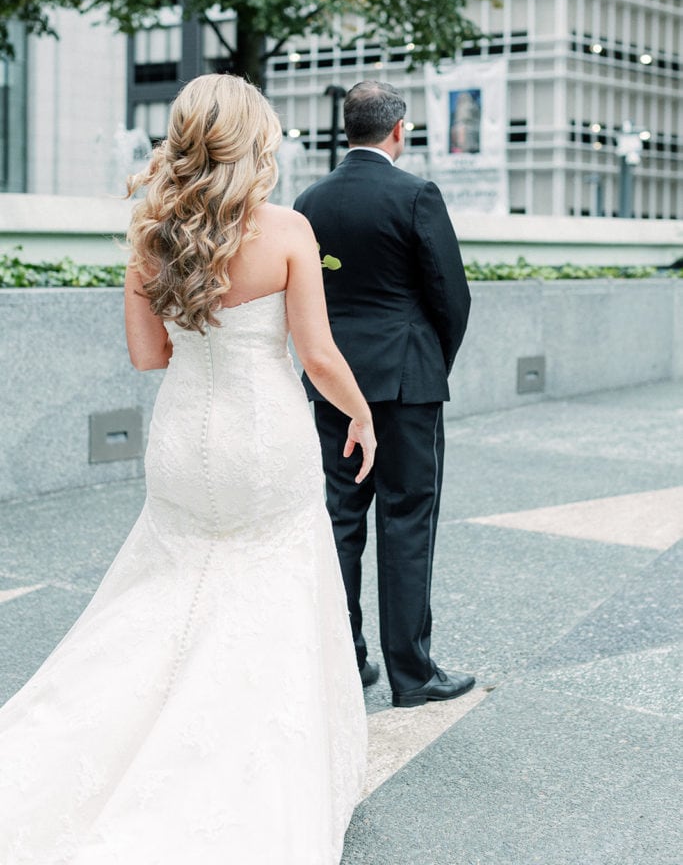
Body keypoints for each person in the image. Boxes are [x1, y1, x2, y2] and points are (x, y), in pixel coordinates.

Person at [0, 73, 376, 864]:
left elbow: (148, 356)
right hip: (264, 439)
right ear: (257, 140)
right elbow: (315, 355)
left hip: (181, 440)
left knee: (165, 591)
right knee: (269, 591)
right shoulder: (287, 230)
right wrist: (362, 414)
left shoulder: (151, 230)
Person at [294, 80, 473, 709]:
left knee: (341, 519)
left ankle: (349, 662)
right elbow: (452, 296)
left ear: (348, 130)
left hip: (334, 383)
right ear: (399, 129)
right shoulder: (416, 193)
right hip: (406, 383)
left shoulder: (309, 201)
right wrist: (430, 362)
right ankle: (413, 675)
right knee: (406, 519)